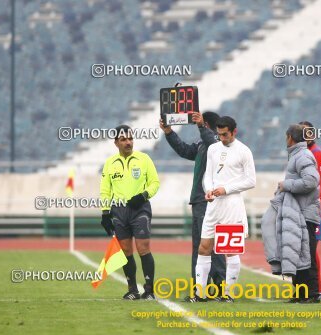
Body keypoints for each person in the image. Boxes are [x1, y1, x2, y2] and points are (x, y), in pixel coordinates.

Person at [159, 111, 226, 299]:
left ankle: (220, 288)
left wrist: (201, 126)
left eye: (202, 124)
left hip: (210, 200)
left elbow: (213, 142)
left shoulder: (217, 144)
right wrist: (169, 133)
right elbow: (184, 150)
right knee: (199, 247)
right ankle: (199, 289)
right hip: (199, 200)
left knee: (211, 245)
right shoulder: (202, 144)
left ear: (208, 125)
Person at [189, 116, 256, 302]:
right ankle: (200, 293)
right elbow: (207, 175)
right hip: (214, 205)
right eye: (219, 135)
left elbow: (251, 181)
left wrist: (225, 189)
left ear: (234, 131)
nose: (222, 138)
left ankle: (228, 294)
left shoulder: (244, 151)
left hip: (232, 205)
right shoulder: (212, 148)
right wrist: (209, 190)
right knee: (204, 247)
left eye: (225, 134)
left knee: (230, 251)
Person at [100, 124, 160, 300]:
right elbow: (105, 190)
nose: (128, 142)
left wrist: (143, 196)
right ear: (116, 143)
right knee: (126, 250)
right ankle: (132, 289)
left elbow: (155, 183)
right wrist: (105, 213)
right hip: (119, 211)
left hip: (140, 208)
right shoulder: (110, 163)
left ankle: (149, 290)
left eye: (130, 139)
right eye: (123, 139)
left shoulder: (144, 159)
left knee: (143, 247)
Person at [280, 124, 321, 303]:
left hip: (305, 213)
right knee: (297, 254)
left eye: (286, 136)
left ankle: (311, 294)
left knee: (307, 255)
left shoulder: (303, 155)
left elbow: (311, 181)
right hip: (298, 213)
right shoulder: (297, 155)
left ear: (290, 137)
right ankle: (299, 294)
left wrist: (286, 185)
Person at [299, 120, 321, 299]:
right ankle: (305, 289)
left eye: (307, 132)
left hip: (316, 210)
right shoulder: (300, 154)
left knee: (311, 250)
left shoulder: (318, 154)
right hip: (302, 210)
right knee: (303, 250)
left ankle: (318, 289)